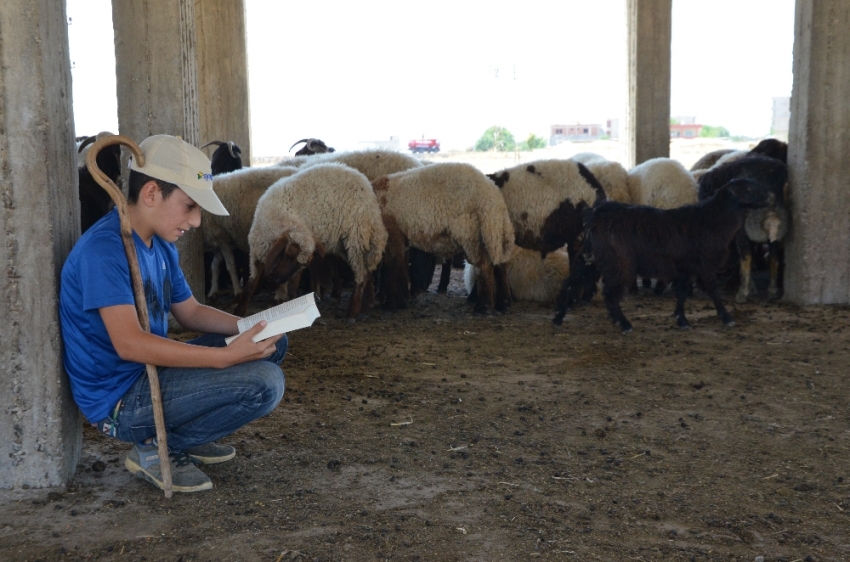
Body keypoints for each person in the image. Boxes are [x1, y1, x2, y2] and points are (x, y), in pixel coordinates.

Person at [60, 134, 287, 493]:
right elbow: (130, 345)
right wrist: (224, 357)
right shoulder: (104, 251)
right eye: (190, 206)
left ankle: (180, 432)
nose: (196, 222)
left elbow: (191, 312)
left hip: (152, 374)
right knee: (265, 383)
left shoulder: (161, 245)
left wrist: (258, 324)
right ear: (151, 193)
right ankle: (159, 445)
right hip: (122, 400)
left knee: (273, 341)